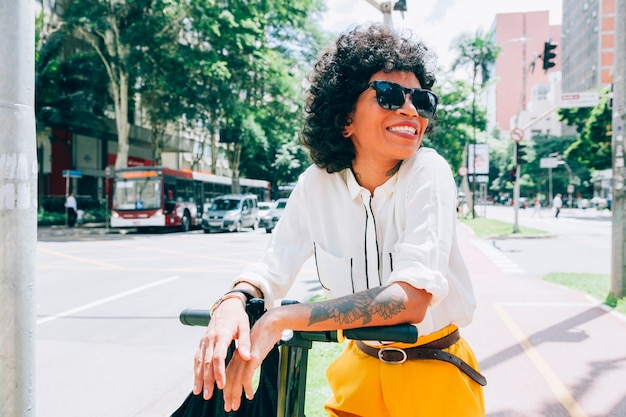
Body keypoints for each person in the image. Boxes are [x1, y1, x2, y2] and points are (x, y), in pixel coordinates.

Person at [193, 24, 485, 416]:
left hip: (434, 375)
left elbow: (411, 299)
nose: (410, 110)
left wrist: (282, 319)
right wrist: (234, 300)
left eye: (422, 99)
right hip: (357, 370)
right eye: (389, 95)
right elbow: (272, 265)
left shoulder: (428, 171)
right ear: (344, 117)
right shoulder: (316, 183)